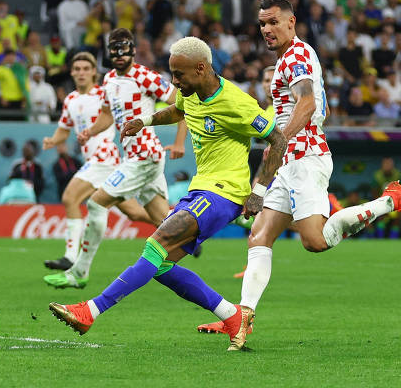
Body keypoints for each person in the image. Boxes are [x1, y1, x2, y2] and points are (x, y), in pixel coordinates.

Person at [48, 36, 288, 352]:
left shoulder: (237, 102)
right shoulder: (192, 93)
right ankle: (231, 316)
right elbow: (176, 110)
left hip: (224, 194)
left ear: (202, 68)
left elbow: (279, 140)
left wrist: (258, 191)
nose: (174, 81)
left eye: (179, 75)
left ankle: (90, 311)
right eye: (172, 74)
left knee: (155, 246)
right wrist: (143, 120)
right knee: (160, 267)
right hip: (200, 189)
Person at [196, 0, 401, 349]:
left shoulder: (297, 56)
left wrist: (278, 141)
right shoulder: (286, 59)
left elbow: (306, 103)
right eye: (262, 24)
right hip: (289, 159)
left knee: (315, 241)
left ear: (291, 22)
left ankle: (389, 201)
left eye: (273, 22)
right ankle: (240, 321)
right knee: (259, 237)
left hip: (305, 157)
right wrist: (263, 177)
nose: (266, 29)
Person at [43, 29, 187, 289]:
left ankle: (78, 273)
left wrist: (179, 142)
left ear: (132, 50)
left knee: (97, 204)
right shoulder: (109, 80)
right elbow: (108, 117)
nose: (119, 55)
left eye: (124, 49)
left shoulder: (145, 76)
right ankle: (226, 219)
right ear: (109, 53)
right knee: (166, 221)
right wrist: (90, 131)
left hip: (145, 155)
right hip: (135, 156)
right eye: (114, 50)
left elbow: (183, 104)